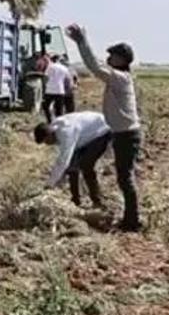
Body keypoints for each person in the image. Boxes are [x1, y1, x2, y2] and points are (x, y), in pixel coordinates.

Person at [65, 24, 142, 231]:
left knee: (125, 178)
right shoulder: (119, 77)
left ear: (122, 59)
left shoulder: (120, 77)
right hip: (122, 134)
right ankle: (131, 218)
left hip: (127, 135)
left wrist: (82, 42)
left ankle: (133, 221)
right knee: (124, 177)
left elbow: (94, 66)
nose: (109, 58)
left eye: (113, 55)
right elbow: (98, 65)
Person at [34, 111, 111, 208]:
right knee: (72, 167)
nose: (47, 144)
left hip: (101, 131)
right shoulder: (56, 126)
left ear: (49, 135)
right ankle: (76, 200)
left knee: (86, 165)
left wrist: (50, 184)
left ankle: (97, 202)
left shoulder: (66, 133)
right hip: (86, 134)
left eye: (46, 141)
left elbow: (63, 161)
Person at [42, 54, 72, 123]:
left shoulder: (50, 67)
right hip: (60, 91)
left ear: (52, 59)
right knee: (59, 109)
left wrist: (45, 85)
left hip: (49, 90)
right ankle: (58, 123)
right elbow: (68, 80)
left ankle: (49, 121)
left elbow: (45, 77)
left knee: (46, 106)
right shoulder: (64, 68)